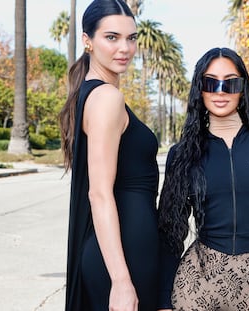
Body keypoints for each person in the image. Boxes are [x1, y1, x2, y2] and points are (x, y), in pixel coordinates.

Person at [157, 47, 249, 311]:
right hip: (197, 285)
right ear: (200, 89)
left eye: (230, 83)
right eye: (211, 82)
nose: (220, 91)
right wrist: (163, 300)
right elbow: (169, 232)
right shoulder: (183, 154)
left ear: (242, 89)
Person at [59, 1, 159, 310]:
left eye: (131, 38)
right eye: (112, 37)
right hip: (122, 258)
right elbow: (99, 193)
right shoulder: (106, 98)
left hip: (126, 251)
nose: (125, 48)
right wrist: (120, 280)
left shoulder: (90, 93)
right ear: (87, 40)